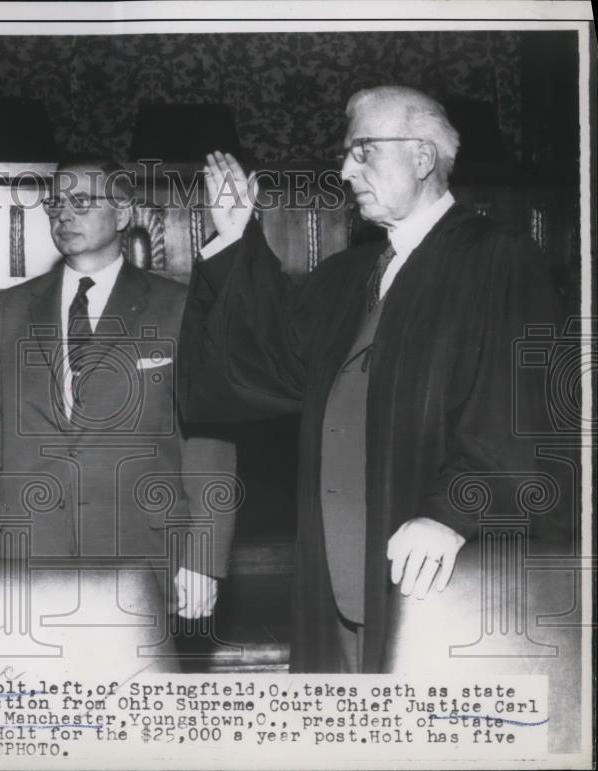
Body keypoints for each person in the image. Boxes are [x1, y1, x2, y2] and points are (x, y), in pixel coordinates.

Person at [179, 86, 568, 671]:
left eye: (362, 151)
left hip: (435, 570)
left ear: (421, 157)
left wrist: (456, 510)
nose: (344, 169)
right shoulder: (347, 273)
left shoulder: (497, 261)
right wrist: (237, 236)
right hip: (337, 570)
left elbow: (525, 414)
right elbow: (267, 364)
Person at [0, 158, 236, 619]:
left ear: (124, 214)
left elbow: (209, 448)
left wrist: (204, 559)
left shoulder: (180, 309)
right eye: (55, 203)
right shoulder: (7, 311)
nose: (63, 214)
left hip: (143, 556)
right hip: (28, 559)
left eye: (82, 201)